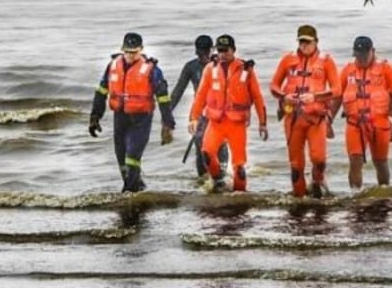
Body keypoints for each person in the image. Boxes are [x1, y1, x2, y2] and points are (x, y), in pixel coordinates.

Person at [89, 32, 175, 192]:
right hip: (120, 118)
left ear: (141, 49)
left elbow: (163, 98)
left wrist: (167, 124)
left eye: (134, 52)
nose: (130, 55)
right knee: (121, 159)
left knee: (132, 157)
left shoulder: (152, 70)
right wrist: (95, 116)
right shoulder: (112, 66)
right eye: (127, 51)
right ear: (122, 49)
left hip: (141, 120)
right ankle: (137, 188)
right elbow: (101, 91)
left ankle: (128, 193)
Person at [188, 34, 269, 193]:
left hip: (236, 124)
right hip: (216, 123)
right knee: (206, 153)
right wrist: (194, 118)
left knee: (239, 167)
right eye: (220, 50)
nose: (222, 54)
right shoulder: (210, 69)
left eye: (226, 50)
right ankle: (218, 181)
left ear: (233, 50)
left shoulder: (246, 69)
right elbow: (201, 95)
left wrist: (263, 123)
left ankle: (240, 196)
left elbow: (258, 97)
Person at [269, 24, 341, 198]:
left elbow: (337, 90)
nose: (304, 45)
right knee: (296, 165)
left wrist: (315, 97)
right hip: (293, 119)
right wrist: (284, 96)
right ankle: (299, 199)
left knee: (319, 159)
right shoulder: (287, 60)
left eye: (308, 42)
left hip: (316, 119)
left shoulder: (326, 61)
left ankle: (317, 182)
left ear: (316, 42)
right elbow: (273, 86)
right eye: (301, 42)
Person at [334, 36, 392, 190]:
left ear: (373, 51)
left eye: (365, 55)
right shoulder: (347, 70)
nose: (362, 59)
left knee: (380, 162)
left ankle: (384, 193)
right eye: (358, 55)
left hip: (380, 124)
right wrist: (329, 120)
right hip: (354, 124)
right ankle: (355, 195)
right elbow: (337, 97)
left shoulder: (386, 69)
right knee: (355, 160)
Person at [169, 34, 228, 180]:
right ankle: (202, 178)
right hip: (199, 113)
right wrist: (167, 114)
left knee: (220, 144)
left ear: (212, 50)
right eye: (200, 54)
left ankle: (222, 176)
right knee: (199, 145)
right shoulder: (191, 67)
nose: (203, 58)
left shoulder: (222, 65)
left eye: (205, 54)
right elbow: (178, 91)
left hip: (220, 111)